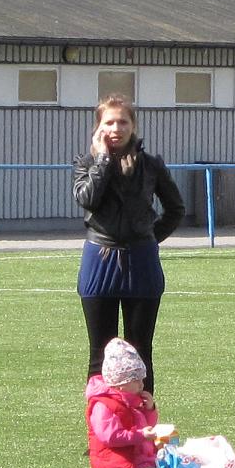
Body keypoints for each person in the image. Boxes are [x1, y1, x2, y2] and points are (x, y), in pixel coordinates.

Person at [74, 96, 186, 388]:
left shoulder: (151, 165)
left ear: (133, 126)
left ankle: (142, 415)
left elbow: (176, 209)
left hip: (141, 263)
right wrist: (102, 160)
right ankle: (101, 415)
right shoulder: (86, 163)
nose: (116, 128)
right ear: (99, 127)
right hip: (99, 261)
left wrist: (148, 239)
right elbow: (87, 199)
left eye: (123, 121)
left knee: (140, 351)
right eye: (109, 122)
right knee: (100, 353)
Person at [85, 338, 171, 468]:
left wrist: (150, 409)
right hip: (119, 461)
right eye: (135, 380)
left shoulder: (131, 401)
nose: (141, 385)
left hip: (137, 457)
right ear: (120, 384)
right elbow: (111, 437)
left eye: (141, 380)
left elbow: (146, 425)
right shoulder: (104, 405)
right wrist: (141, 435)